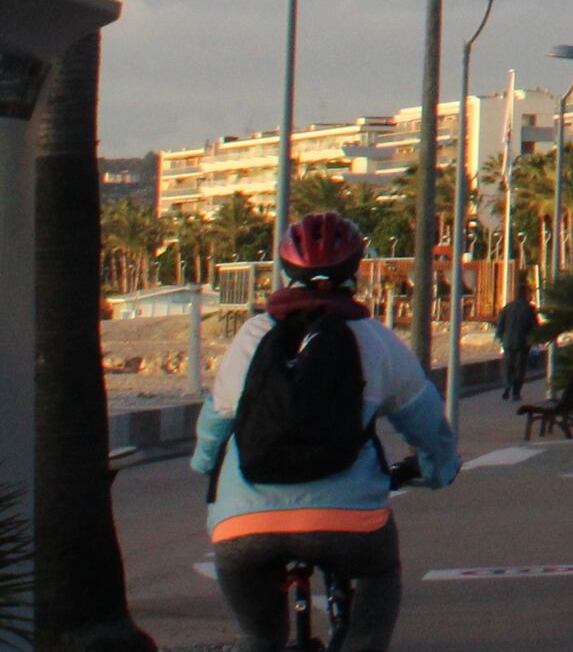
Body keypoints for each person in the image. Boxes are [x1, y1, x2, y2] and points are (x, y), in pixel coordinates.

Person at [191, 211, 461, 652]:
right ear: (354, 272)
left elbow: (215, 425)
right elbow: (428, 426)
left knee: (258, 636)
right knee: (378, 576)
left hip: (244, 523)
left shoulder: (252, 335)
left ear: (285, 272)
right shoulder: (376, 340)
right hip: (348, 520)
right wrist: (436, 471)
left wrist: (204, 465)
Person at [494, 286, 544, 403]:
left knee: (507, 364)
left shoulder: (507, 307)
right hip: (523, 342)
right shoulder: (529, 309)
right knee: (519, 367)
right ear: (525, 295)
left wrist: (500, 337)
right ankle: (516, 392)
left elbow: (500, 325)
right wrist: (536, 339)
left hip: (508, 341)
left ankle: (507, 383)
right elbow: (535, 326)